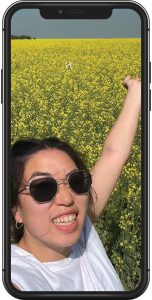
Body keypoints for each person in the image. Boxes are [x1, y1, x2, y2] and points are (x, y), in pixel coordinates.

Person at [11, 75, 141, 291]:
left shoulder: (82, 234)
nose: (67, 198)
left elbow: (114, 154)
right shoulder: (17, 279)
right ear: (16, 210)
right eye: (43, 188)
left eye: (76, 181)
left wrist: (137, 91)